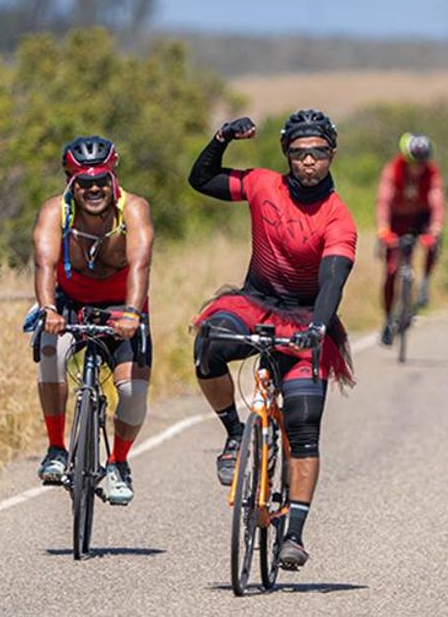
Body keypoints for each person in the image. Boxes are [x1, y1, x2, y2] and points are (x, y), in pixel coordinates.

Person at [187, 109, 357, 570]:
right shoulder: (263, 184)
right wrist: (221, 136)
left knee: (304, 422)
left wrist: (318, 329)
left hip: (307, 319)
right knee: (209, 343)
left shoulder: (338, 218)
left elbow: (333, 283)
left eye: (318, 153)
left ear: (331, 155)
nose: (308, 162)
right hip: (254, 304)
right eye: (300, 153)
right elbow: (201, 180)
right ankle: (233, 434)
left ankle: (294, 535)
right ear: (287, 154)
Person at [32, 135, 154, 506]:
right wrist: (48, 309)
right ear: (70, 180)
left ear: (113, 175)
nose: (94, 188)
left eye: (101, 178)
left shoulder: (132, 209)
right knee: (49, 353)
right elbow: (45, 265)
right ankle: (56, 448)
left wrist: (132, 313)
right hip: (71, 304)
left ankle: (118, 463)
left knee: (132, 390)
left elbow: (140, 264)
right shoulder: (56, 211)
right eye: (84, 181)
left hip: (123, 308)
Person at [375, 133, 445, 345]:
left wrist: (435, 228)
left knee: (433, 242)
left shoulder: (431, 173)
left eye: (422, 163)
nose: (418, 167)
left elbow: (437, 201)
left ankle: (424, 283)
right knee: (392, 270)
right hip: (396, 220)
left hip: (419, 218)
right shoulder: (393, 170)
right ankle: (388, 319)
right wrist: (383, 229)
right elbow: (384, 201)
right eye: (414, 163)